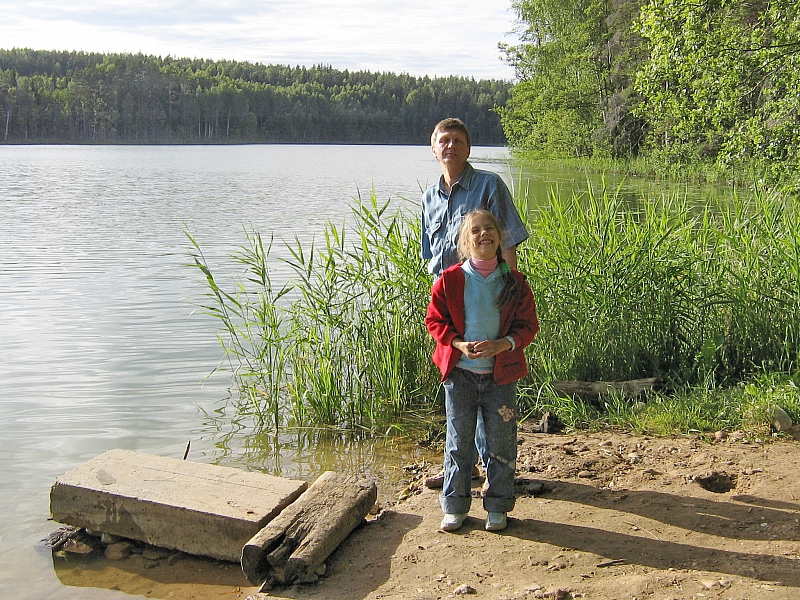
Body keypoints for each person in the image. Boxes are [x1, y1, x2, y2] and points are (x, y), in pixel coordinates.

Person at [421, 117, 529, 474]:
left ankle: (492, 466)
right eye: (443, 140)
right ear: (433, 149)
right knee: (457, 384)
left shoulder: (488, 185)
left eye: (457, 140)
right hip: (450, 306)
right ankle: (459, 466)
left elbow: (508, 239)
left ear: (468, 148)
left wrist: (509, 296)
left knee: (489, 380)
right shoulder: (429, 198)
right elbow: (432, 258)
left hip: (486, 301)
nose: (450, 146)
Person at [425, 209, 539, 532]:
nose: (483, 234)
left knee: (501, 442)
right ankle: (455, 505)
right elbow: (434, 320)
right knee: (459, 442)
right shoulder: (450, 280)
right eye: (475, 230)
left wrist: (503, 345)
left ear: (500, 238)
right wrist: (458, 345)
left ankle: (498, 506)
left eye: (490, 228)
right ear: (465, 241)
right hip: (460, 376)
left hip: (499, 378)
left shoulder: (515, 283)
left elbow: (529, 326)